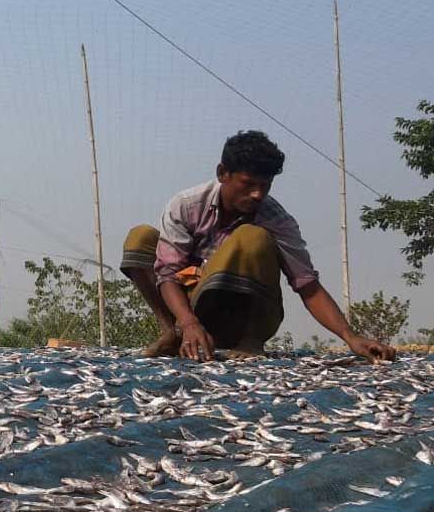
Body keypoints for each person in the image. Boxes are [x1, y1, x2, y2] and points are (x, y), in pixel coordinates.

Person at [120, 130, 396, 363]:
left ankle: (250, 339)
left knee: (252, 236)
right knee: (140, 238)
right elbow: (167, 274)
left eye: (265, 185)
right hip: (193, 313)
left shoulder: (276, 220)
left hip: (243, 317)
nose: (257, 194)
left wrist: (350, 337)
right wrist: (189, 323)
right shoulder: (187, 205)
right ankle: (173, 332)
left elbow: (307, 285)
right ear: (222, 174)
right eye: (248, 184)